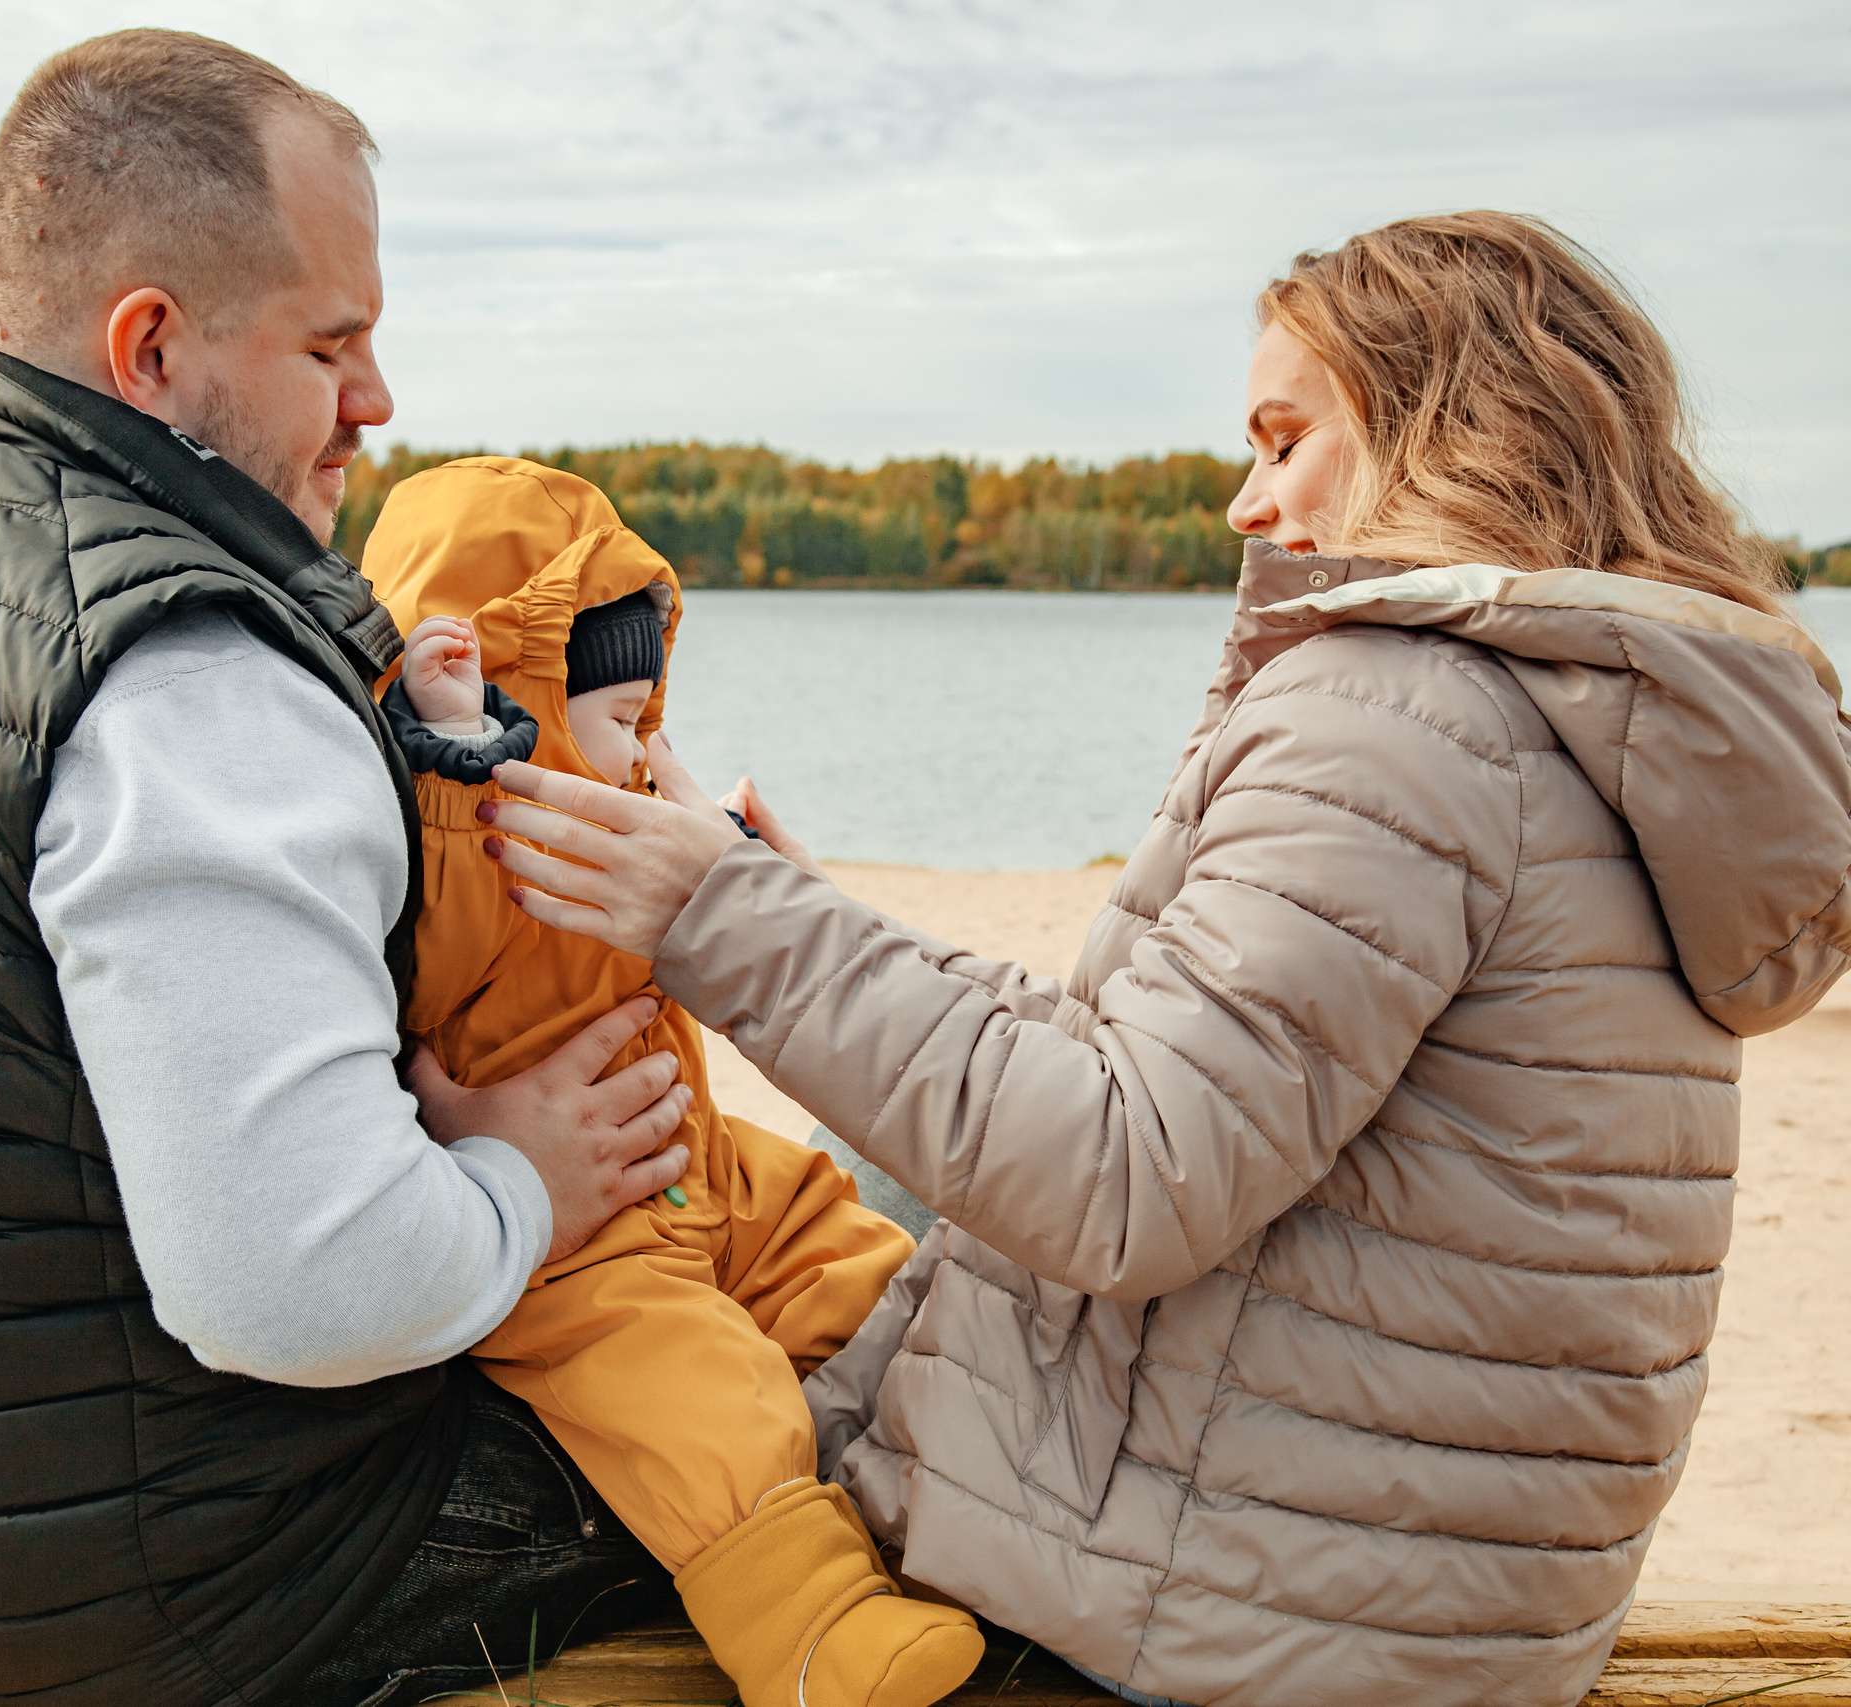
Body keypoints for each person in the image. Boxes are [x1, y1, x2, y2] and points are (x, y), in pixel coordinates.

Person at [474, 211, 1851, 1707]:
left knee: (580, 1294)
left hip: (1229, 1618)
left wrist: (721, 916)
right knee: (825, 1190)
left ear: (1444, 431)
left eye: (1282, 439)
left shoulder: (1400, 718)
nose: (1244, 500)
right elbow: (1199, 1081)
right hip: (1446, 1595)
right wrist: (815, 917)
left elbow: (1122, 1175)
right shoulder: (1605, 723)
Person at [0, 30, 707, 1707]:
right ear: (150, 348)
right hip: (134, 1604)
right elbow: (305, 1287)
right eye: (332, 343)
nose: (377, 403)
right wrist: (522, 1186)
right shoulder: (192, 682)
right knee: (797, 1392)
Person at [368, 457, 979, 1707]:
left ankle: (972, 1491)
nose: (644, 751)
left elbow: (686, 973)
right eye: (617, 717)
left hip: (693, 1165)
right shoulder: (465, 828)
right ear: (514, 697)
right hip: (575, 1244)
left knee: (850, 1256)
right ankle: (812, 1633)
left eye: (651, 716)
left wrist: (746, 889)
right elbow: (447, 892)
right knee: (696, 1395)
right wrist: (458, 748)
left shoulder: (613, 819)